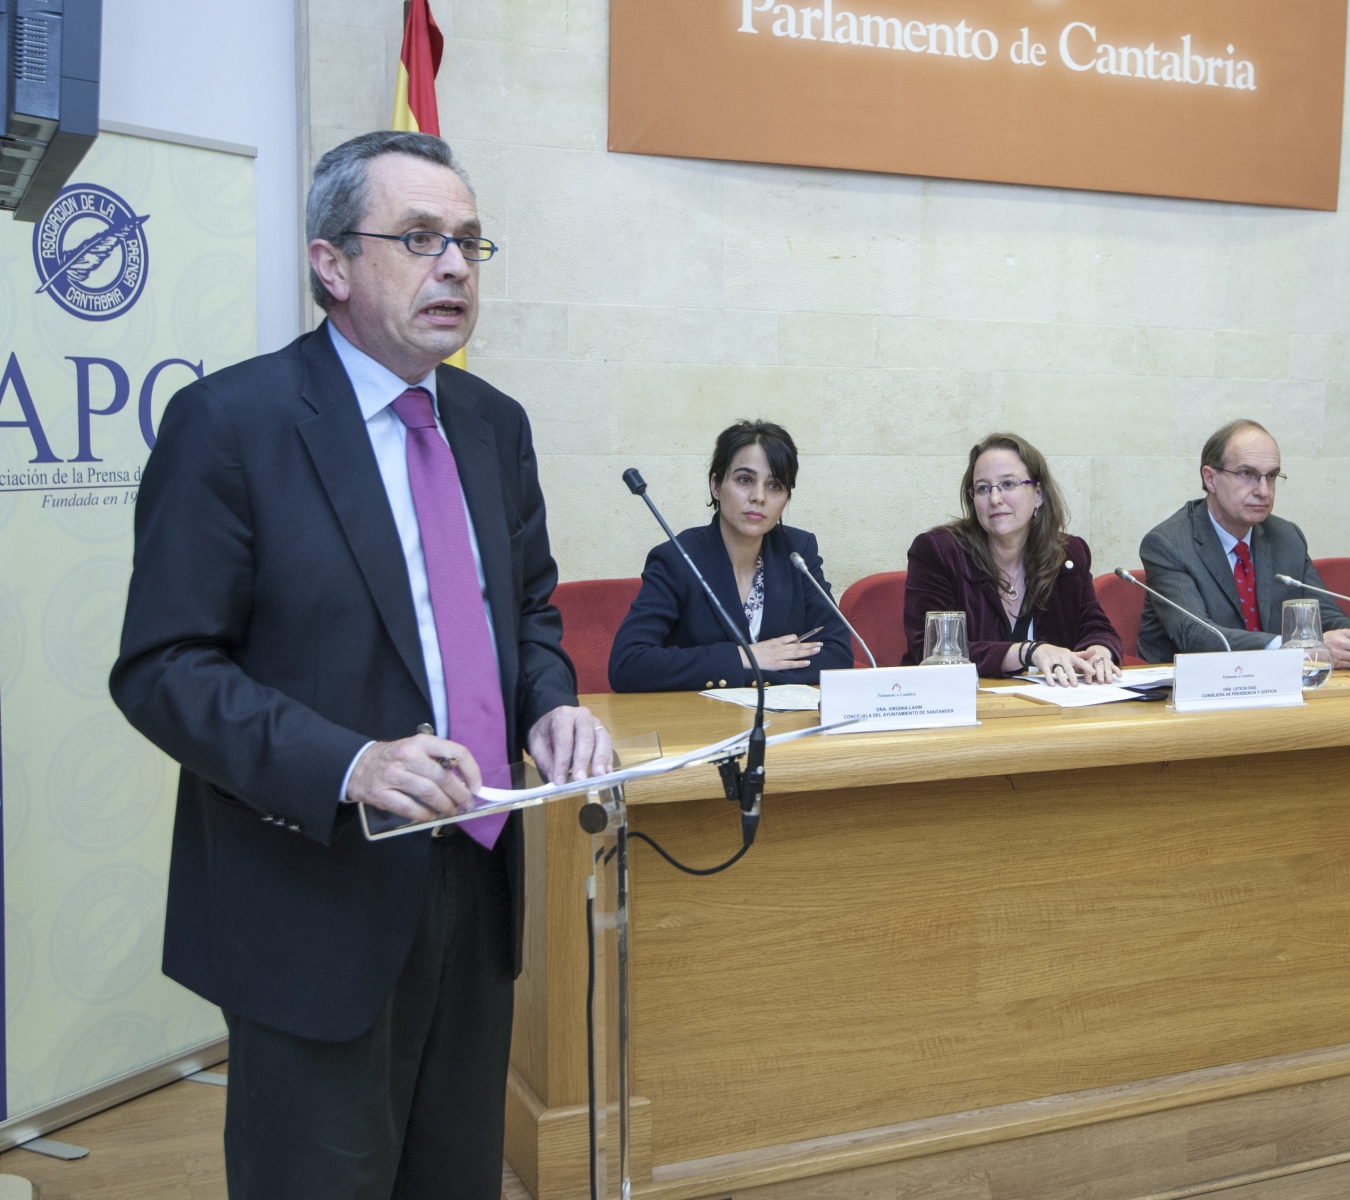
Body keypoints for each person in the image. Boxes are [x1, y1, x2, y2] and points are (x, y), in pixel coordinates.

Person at [109, 131, 609, 1199]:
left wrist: (551, 703)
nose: (455, 266)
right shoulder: (231, 424)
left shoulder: (493, 424)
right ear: (330, 264)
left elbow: (525, 611)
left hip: (478, 869)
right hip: (314, 889)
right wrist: (350, 763)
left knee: (454, 1176)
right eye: (420, 238)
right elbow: (164, 667)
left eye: (468, 241)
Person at [609, 420, 851, 691]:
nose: (759, 497)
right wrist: (743, 658)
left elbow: (838, 653)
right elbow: (628, 663)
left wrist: (756, 675)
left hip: (785, 716)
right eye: (745, 480)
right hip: (698, 715)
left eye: (774, 485)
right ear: (715, 485)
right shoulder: (676, 559)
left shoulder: (798, 552)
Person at [1137, 419, 1350, 665]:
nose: (1263, 491)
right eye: (1247, 474)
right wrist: (1292, 649)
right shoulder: (1169, 544)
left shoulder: (1286, 537)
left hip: (1276, 682)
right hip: (1188, 684)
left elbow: (1322, 616)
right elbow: (1196, 635)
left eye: (1271, 476)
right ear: (1210, 479)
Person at [903, 433, 1122, 684]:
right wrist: (1029, 652)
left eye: (1008, 484)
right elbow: (932, 649)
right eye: (983, 488)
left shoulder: (1068, 554)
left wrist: (1099, 654)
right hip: (958, 698)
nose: (995, 499)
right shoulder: (939, 552)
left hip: (1047, 701)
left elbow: (1097, 628)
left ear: (1038, 494)